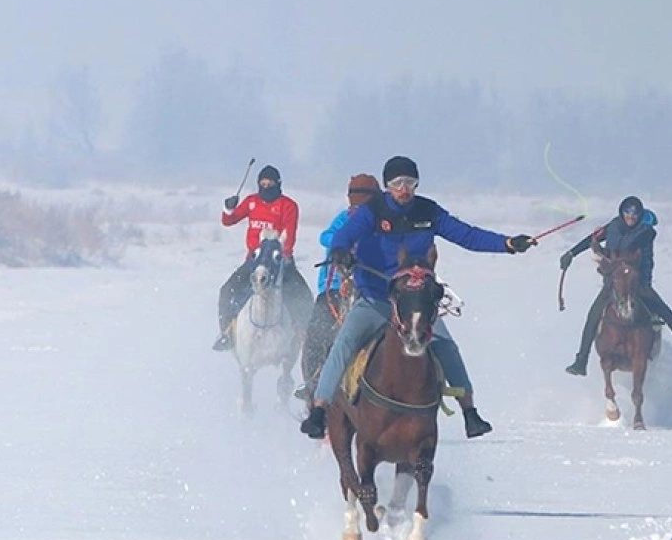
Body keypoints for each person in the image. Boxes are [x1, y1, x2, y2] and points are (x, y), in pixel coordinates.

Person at [299, 156, 538, 440]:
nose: (404, 189)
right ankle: (319, 409)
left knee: (446, 345)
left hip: (416, 302)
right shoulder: (372, 211)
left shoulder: (428, 211)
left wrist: (507, 244)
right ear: (387, 186)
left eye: (410, 183)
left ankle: (470, 412)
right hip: (376, 298)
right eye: (397, 183)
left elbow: (468, 236)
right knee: (345, 343)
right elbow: (344, 235)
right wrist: (340, 250)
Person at [559, 196, 672, 375]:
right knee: (593, 315)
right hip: (613, 283)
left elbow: (628, 250)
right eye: (627, 212)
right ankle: (581, 361)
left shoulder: (646, 232)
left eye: (635, 213)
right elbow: (592, 238)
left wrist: (605, 253)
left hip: (638, 282)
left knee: (664, 311)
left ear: (640, 214)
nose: (631, 216)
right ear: (621, 213)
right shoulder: (613, 225)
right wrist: (571, 253)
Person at [294, 174, 381, 401]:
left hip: (373, 288)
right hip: (333, 289)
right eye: (355, 196)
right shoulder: (344, 218)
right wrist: (344, 245)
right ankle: (313, 382)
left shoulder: (383, 222)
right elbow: (327, 236)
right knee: (316, 336)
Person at [213, 165, 313, 351]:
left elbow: (289, 236)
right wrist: (228, 208)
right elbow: (229, 221)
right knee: (227, 290)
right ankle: (227, 332)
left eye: (270, 184)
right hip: (255, 261)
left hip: (279, 261)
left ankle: (304, 334)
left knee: (303, 296)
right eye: (262, 184)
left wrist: (282, 256)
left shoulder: (288, 206)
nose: (266, 187)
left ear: (278, 184)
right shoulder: (252, 202)